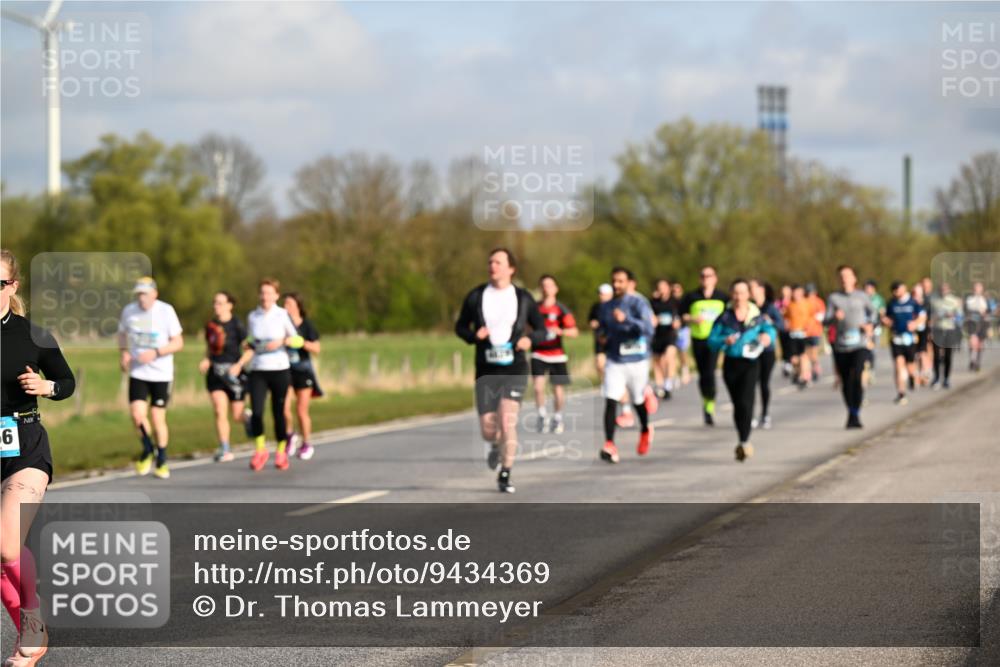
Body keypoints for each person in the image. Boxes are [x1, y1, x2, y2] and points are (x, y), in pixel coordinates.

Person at [1, 249, 76, 667]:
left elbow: (66, 381)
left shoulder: (33, 334)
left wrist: (45, 388)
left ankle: (32, 627)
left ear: (12, 287)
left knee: (6, 544)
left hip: (24, 446)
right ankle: (29, 635)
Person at [455, 248, 548, 493]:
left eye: (498, 262)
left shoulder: (523, 297)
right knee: (488, 429)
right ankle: (495, 446)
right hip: (486, 370)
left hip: (515, 368)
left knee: (507, 421)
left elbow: (541, 329)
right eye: (490, 262)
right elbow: (460, 327)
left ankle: (506, 472)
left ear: (511, 268)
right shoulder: (476, 296)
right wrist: (474, 336)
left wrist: (530, 340)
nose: (492, 266)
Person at [229, 279, 302, 472]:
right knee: (257, 412)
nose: (265, 296)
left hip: (279, 369)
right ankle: (260, 450)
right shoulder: (253, 316)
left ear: (276, 296)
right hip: (259, 370)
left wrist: (282, 341)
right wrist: (248, 343)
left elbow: (298, 340)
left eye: (269, 293)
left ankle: (280, 451)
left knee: (279, 413)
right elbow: (252, 340)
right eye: (262, 293)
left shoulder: (282, 315)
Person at [118, 277, 184, 480]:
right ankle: (148, 448)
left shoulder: (166, 311)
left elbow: (178, 343)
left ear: (155, 294)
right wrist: (124, 353)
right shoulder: (129, 311)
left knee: (157, 417)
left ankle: (162, 458)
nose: (142, 298)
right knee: (137, 415)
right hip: (138, 372)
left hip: (161, 373)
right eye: (139, 294)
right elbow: (122, 334)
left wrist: (156, 352)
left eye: (145, 294)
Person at [708, 278, 776, 462]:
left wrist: (766, 337)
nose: (738, 297)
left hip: (751, 362)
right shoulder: (724, 318)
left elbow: (771, 331)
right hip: (731, 364)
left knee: (747, 401)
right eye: (735, 293)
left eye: (742, 293)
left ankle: (745, 441)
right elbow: (711, 341)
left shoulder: (757, 317)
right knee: (738, 404)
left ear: (748, 295)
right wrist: (723, 341)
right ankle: (742, 437)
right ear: (731, 295)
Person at [597, 267, 656, 464]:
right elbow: (603, 329)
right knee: (610, 399)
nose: (616, 285)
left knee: (638, 400)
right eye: (614, 281)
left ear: (630, 283)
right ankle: (609, 444)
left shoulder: (639, 303)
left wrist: (627, 319)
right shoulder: (606, 307)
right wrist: (603, 337)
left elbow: (648, 328)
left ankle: (646, 429)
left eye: (620, 281)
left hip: (637, 360)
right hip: (615, 360)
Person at [198, 291, 247, 463]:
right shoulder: (210, 325)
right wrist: (206, 359)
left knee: (237, 415)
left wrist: (239, 365)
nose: (216, 306)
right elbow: (209, 348)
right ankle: (225, 447)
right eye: (214, 303)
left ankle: (247, 418)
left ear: (229, 305)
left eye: (220, 303)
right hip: (215, 374)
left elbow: (249, 349)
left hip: (234, 374)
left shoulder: (237, 325)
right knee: (219, 410)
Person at [825, 265, 875, 429]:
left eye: (847, 276)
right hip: (841, 345)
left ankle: (856, 413)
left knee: (857, 376)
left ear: (854, 279)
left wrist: (869, 325)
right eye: (841, 276)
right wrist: (834, 318)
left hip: (859, 343)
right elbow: (825, 321)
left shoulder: (862, 296)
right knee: (846, 381)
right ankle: (851, 413)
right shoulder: (833, 298)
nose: (844, 279)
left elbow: (874, 314)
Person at [680, 266, 728, 425]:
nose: (706, 278)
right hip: (698, 338)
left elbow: (730, 316)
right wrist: (692, 319)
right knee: (702, 374)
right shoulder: (691, 296)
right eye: (703, 276)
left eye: (709, 275)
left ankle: (710, 404)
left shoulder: (722, 297)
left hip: (715, 340)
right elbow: (681, 315)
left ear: (715, 278)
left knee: (710, 372)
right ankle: (705, 402)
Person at [530, 275, 578, 434]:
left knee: (558, 389)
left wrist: (561, 331)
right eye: (543, 285)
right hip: (538, 353)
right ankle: (542, 415)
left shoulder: (561, 309)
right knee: (538, 387)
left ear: (555, 289)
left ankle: (557, 417)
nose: (546, 289)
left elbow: (574, 331)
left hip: (557, 354)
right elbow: (525, 327)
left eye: (550, 285)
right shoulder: (535, 308)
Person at [281, 292, 323, 460]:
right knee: (282, 406)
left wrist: (301, 342)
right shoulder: (281, 325)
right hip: (284, 368)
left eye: (289, 304)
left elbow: (317, 349)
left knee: (301, 410)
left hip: (303, 370)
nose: (286, 307)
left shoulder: (307, 325)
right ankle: (290, 435)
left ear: (298, 306)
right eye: (284, 304)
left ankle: (306, 443)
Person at [883, 281, 925, 405]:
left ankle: (913, 376)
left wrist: (915, 324)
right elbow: (887, 317)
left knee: (910, 367)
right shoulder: (891, 303)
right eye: (894, 290)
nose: (896, 292)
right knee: (898, 364)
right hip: (896, 338)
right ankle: (901, 393)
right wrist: (886, 321)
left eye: (898, 289)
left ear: (904, 288)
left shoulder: (913, 302)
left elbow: (922, 316)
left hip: (910, 339)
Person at [750, 279, 784, 430]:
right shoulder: (749, 308)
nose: (751, 290)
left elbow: (782, 326)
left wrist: (770, 322)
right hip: (750, 350)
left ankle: (765, 414)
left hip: (767, 351)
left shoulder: (770, 308)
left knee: (764, 383)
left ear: (762, 290)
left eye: (753, 288)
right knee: (750, 383)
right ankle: (750, 415)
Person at [650, 278, 681, 400]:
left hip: (670, 334)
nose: (661, 289)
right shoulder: (653, 302)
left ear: (669, 288)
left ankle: (668, 383)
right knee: (657, 361)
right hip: (657, 335)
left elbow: (681, 317)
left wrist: (678, 322)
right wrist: (653, 320)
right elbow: (648, 316)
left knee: (669, 356)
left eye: (664, 287)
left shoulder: (675, 302)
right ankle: (660, 385)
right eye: (659, 287)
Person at [929, 282, 963, 389]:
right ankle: (936, 378)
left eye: (945, 289)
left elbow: (960, 316)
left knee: (948, 355)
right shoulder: (933, 300)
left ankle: (947, 378)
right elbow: (929, 315)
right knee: (936, 355)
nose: (943, 291)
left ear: (949, 290)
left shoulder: (954, 301)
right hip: (937, 329)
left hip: (950, 330)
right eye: (941, 289)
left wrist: (953, 315)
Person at [783, 285, 813, 388]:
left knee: (803, 356)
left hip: (804, 333)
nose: (796, 295)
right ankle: (798, 373)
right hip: (793, 333)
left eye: (798, 292)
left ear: (802, 292)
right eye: (794, 293)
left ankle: (804, 376)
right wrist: (786, 324)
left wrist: (808, 327)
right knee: (794, 359)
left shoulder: (807, 303)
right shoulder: (790, 305)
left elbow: (813, 317)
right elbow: (786, 318)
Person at [863, 279, 886, 386]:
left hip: (876, 328)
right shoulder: (862, 298)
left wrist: (882, 316)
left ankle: (872, 370)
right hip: (865, 328)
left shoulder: (879, 299)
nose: (867, 290)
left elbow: (883, 312)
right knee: (865, 349)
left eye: (869, 288)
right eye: (866, 288)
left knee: (873, 351)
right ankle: (864, 369)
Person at [588, 284, 613, 381]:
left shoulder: (615, 306)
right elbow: (591, 320)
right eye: (600, 294)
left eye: (603, 294)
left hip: (613, 339)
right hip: (600, 338)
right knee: (599, 363)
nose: (601, 296)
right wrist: (593, 323)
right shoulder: (596, 307)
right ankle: (604, 383)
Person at [964, 281, 990, 372]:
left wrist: (984, 313)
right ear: (973, 289)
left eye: (979, 288)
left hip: (982, 324)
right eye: (976, 288)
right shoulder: (969, 299)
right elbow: (965, 310)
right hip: (972, 324)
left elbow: (988, 312)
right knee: (972, 341)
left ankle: (977, 362)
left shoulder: (985, 300)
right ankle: (972, 359)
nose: (977, 290)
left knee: (980, 344)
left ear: (982, 289)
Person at [804, 284, 826, 383]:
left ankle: (816, 368)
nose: (810, 295)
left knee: (814, 352)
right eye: (808, 292)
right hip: (805, 331)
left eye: (811, 292)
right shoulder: (804, 302)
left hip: (815, 331)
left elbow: (821, 316)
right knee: (806, 353)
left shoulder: (819, 302)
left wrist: (813, 317)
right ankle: (809, 371)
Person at [912, 282, 932, 387]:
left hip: (924, 330)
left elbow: (930, 317)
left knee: (923, 352)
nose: (916, 294)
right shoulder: (910, 303)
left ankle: (926, 372)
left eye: (918, 292)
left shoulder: (926, 303)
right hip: (913, 331)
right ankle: (917, 376)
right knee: (915, 354)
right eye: (914, 292)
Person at [672, 282, 692, 386]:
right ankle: (674, 374)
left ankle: (685, 371)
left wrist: (682, 321)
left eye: (677, 290)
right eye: (673, 290)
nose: (675, 292)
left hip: (683, 329)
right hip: (672, 330)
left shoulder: (684, 302)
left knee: (683, 351)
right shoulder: (670, 301)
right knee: (672, 352)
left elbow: (687, 315)